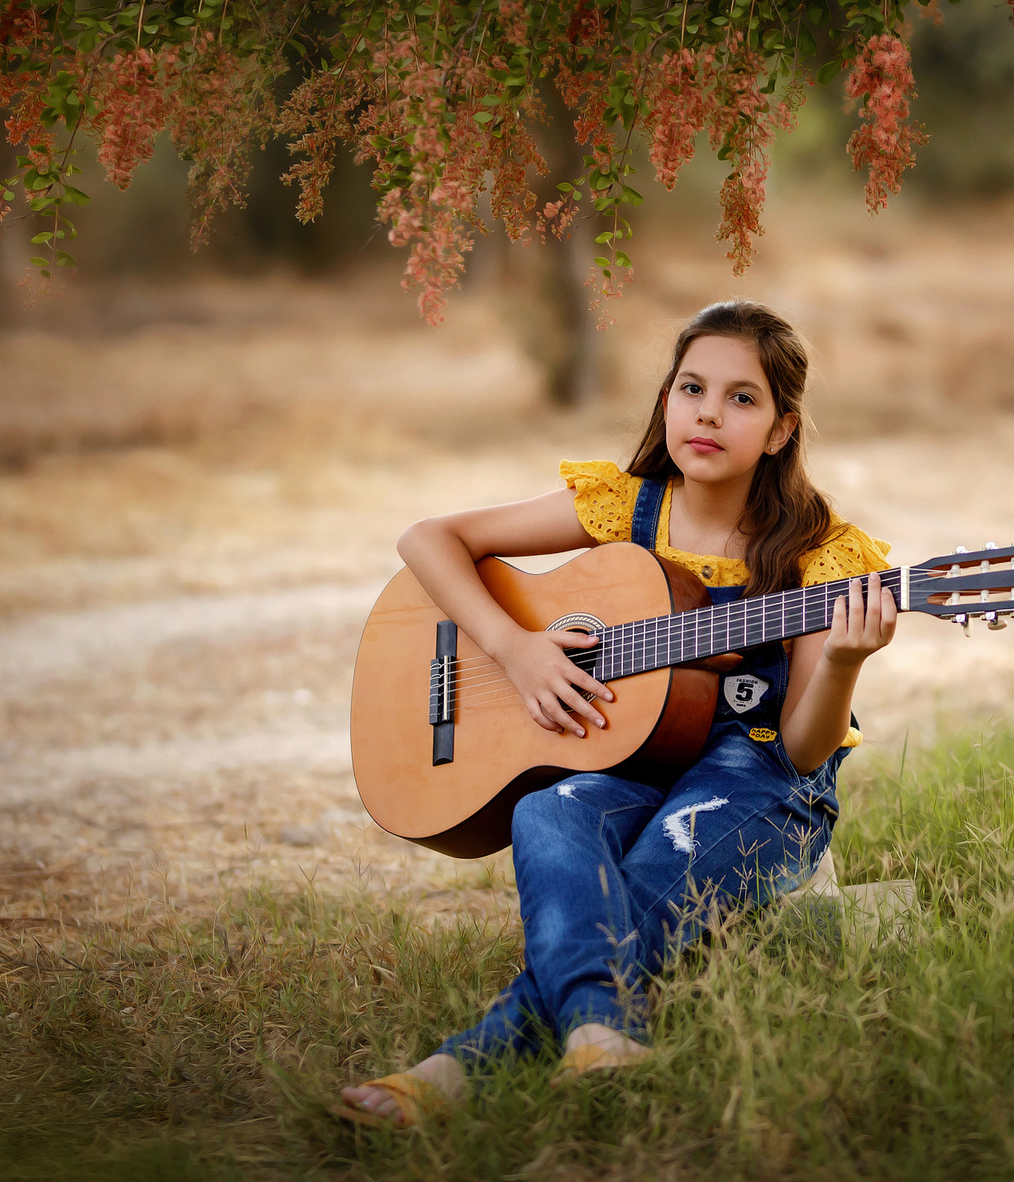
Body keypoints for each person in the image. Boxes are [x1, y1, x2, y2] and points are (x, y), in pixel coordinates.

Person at [335, 301, 898, 1129]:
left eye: (743, 399)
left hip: (764, 776)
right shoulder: (626, 506)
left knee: (636, 888)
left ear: (781, 431)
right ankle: (596, 1033)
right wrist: (513, 647)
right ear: (667, 398)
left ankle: (475, 1065)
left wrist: (844, 660)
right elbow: (428, 538)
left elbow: (810, 751)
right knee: (546, 809)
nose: (708, 411)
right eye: (691, 387)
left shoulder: (819, 553)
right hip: (636, 762)